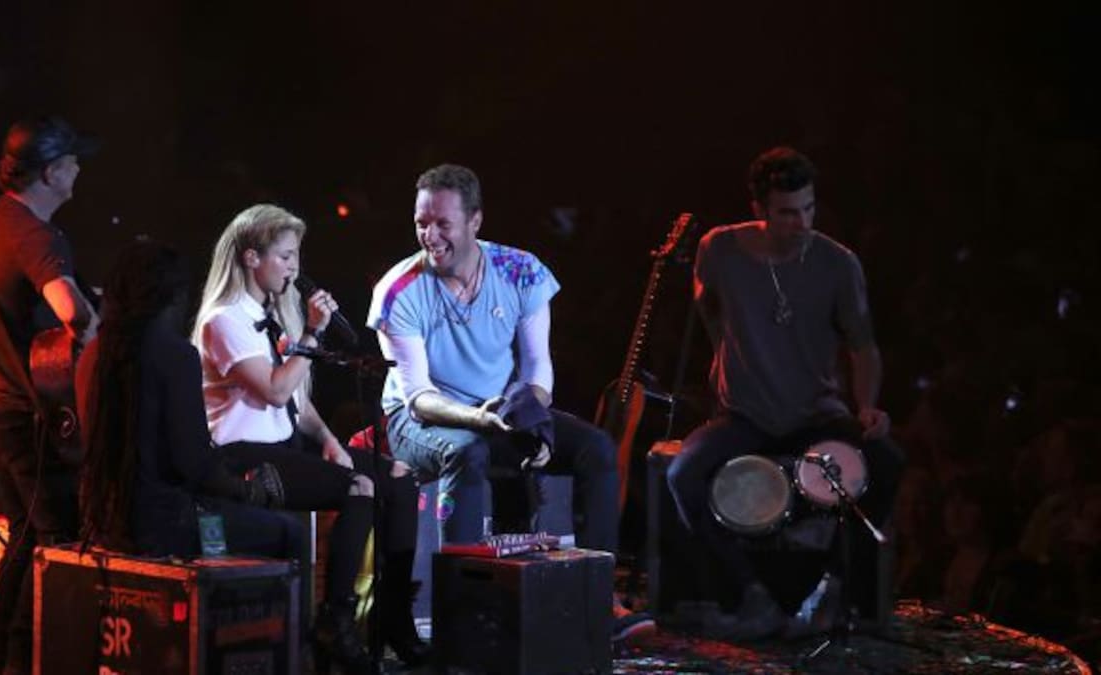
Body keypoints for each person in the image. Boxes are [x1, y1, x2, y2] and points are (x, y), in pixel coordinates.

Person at [367, 163, 655, 642]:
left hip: (498, 409)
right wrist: (481, 419)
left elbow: (537, 365)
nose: (430, 236)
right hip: (418, 422)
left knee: (597, 449)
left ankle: (597, 598)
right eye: (421, 223)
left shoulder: (520, 271)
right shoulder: (399, 291)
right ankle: (462, 612)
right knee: (466, 451)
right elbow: (418, 398)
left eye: (442, 223)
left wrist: (532, 420)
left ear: (475, 221)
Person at [665, 146, 906, 640]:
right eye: (787, 213)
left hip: (817, 413)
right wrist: (726, 364)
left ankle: (834, 590)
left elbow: (863, 345)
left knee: (887, 462)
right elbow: (708, 309)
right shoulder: (720, 249)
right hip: (745, 413)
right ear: (759, 209)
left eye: (809, 209)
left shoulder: (838, 263)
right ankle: (750, 593)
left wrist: (866, 407)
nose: (801, 223)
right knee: (681, 474)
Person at [193, 204, 426, 673]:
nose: (294, 268)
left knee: (399, 478)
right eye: (284, 256)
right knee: (358, 488)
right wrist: (313, 333)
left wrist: (330, 440)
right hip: (244, 458)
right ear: (251, 258)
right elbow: (276, 390)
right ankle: (335, 620)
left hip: (287, 448)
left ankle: (395, 615)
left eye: (297, 256)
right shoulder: (224, 320)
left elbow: (297, 402)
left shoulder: (272, 318)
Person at [0, 115, 100, 675]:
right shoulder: (37, 235)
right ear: (49, 173)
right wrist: (97, 325)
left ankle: (2, 656)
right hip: (28, 416)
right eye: (72, 162)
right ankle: (22, 659)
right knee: (52, 539)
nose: (79, 169)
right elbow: (73, 314)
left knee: (25, 536)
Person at [75, 238, 302, 561]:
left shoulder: (92, 354)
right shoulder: (176, 355)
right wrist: (248, 490)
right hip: (167, 527)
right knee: (289, 532)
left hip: (103, 525)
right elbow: (193, 464)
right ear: (173, 296)